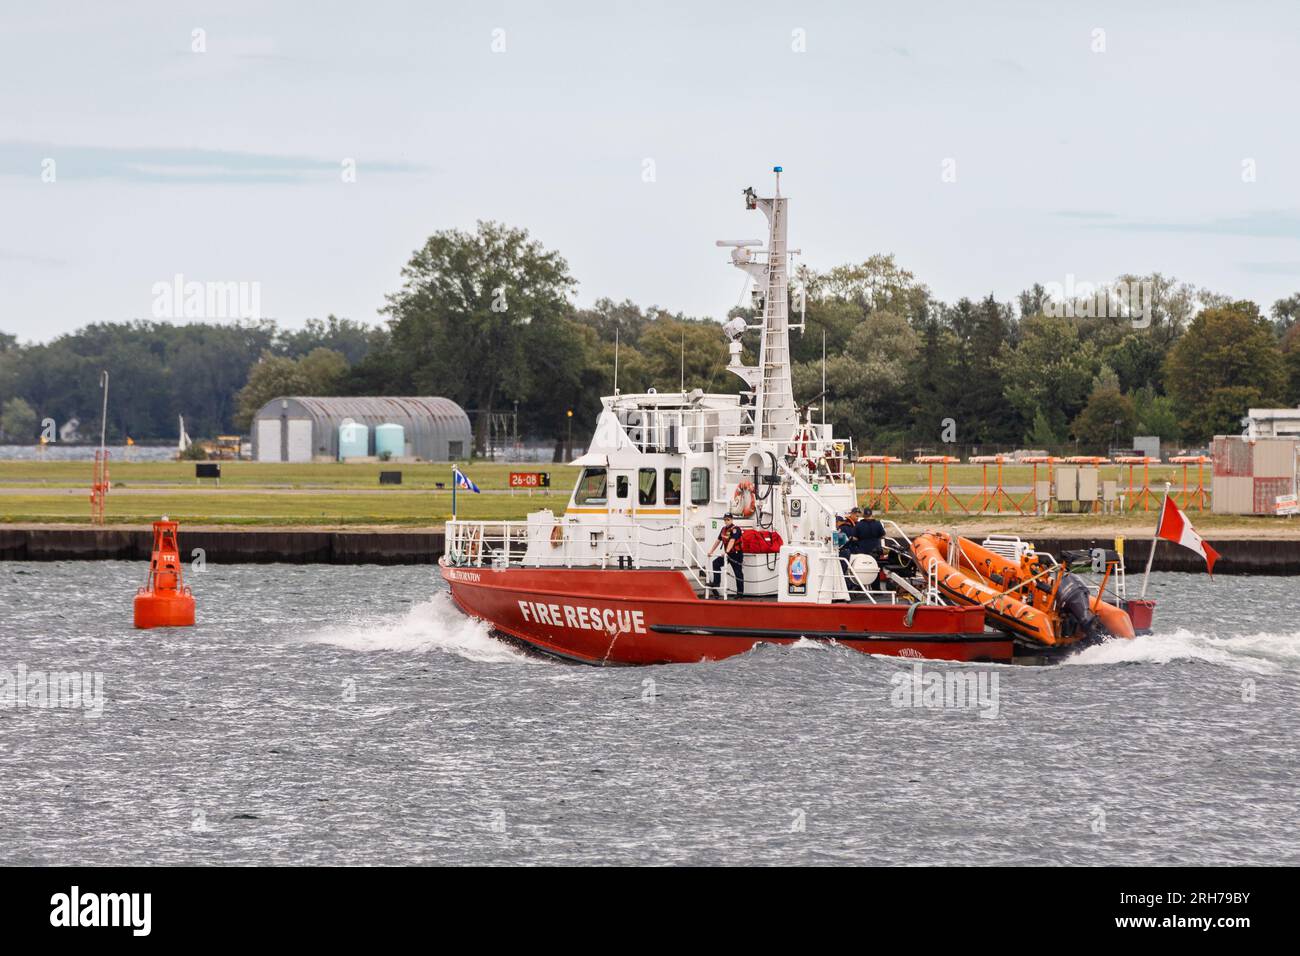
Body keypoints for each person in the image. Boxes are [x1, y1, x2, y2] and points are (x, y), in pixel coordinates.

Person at [707, 513, 744, 597]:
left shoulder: (736, 529)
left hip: (736, 554)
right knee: (715, 563)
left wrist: (726, 552)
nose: (726, 521)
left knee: (738, 573)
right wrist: (711, 551)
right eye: (725, 520)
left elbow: (732, 541)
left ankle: (740, 593)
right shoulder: (723, 529)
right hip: (727, 554)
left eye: (728, 519)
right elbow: (718, 540)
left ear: (731, 520)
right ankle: (716, 583)